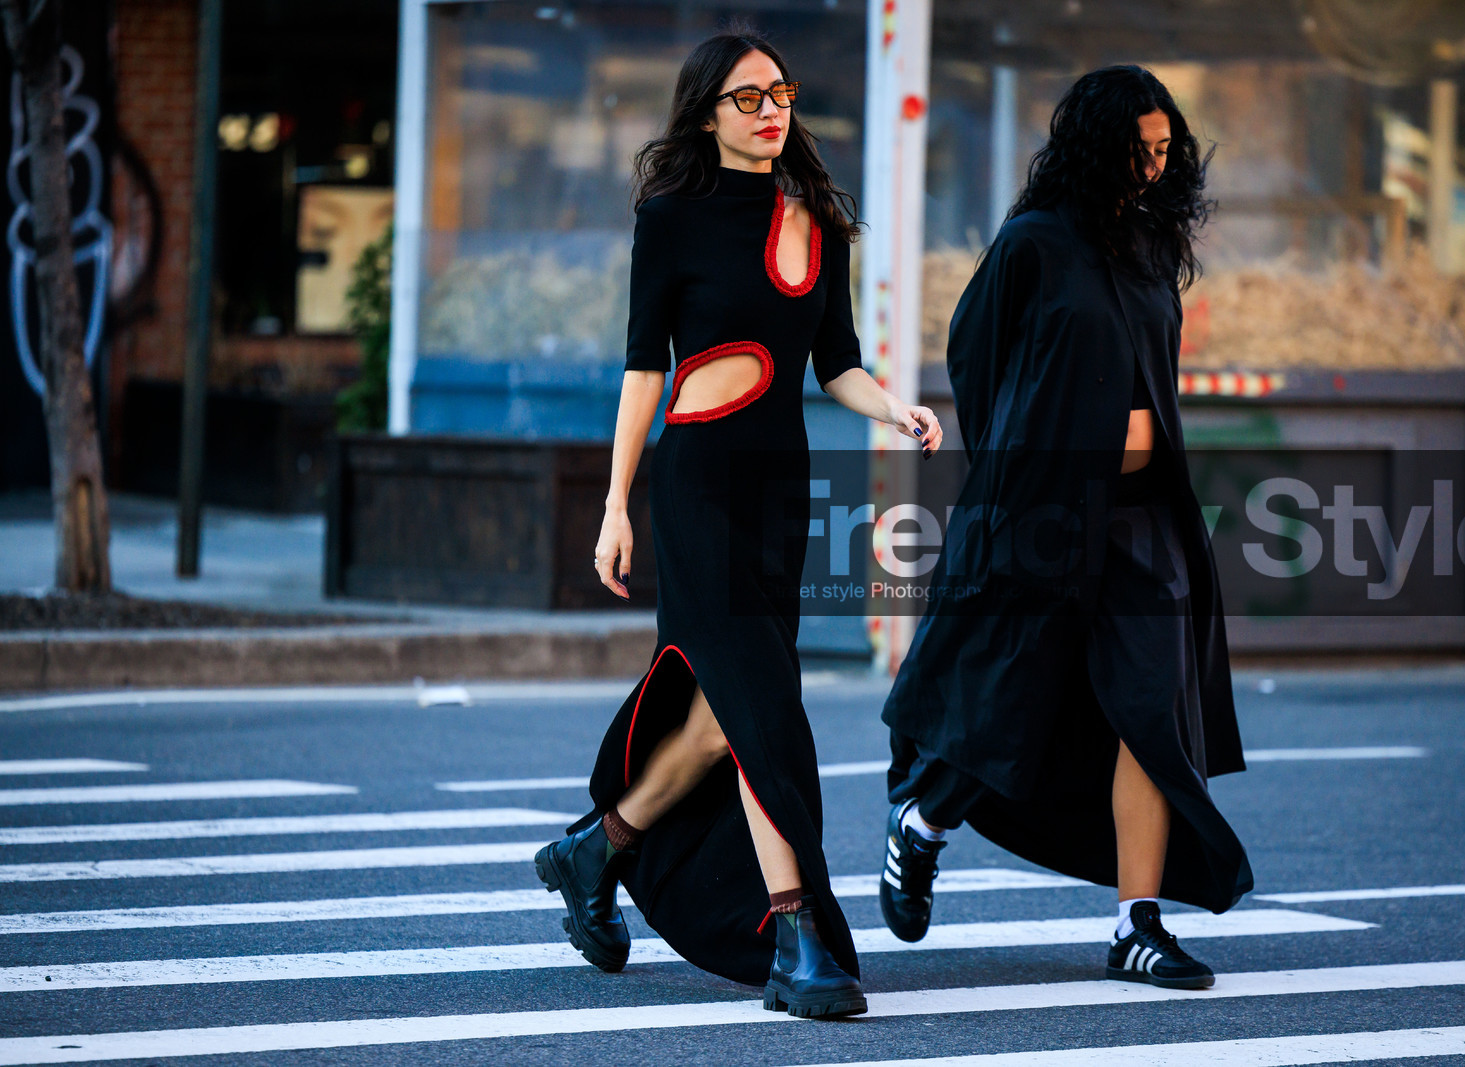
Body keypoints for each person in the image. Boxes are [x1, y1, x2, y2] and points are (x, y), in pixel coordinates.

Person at [534, 27, 943, 1020]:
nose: (771, 113)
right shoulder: (670, 218)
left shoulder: (820, 217)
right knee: (764, 708)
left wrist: (894, 407)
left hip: (776, 495)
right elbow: (643, 367)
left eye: (781, 94)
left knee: (724, 717)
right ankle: (793, 930)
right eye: (748, 98)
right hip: (696, 492)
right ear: (706, 110)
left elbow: (834, 362)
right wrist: (614, 503)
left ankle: (600, 845)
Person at [877, 65, 1253, 990]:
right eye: (1140, 152)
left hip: (1141, 519)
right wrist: (1026, 456)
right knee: (1012, 694)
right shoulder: (1035, 244)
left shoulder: (1149, 243)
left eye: (1168, 153)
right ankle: (922, 824)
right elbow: (977, 352)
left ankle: (1136, 923)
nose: (1157, 170)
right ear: (1097, 146)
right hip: (1043, 512)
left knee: (1150, 711)